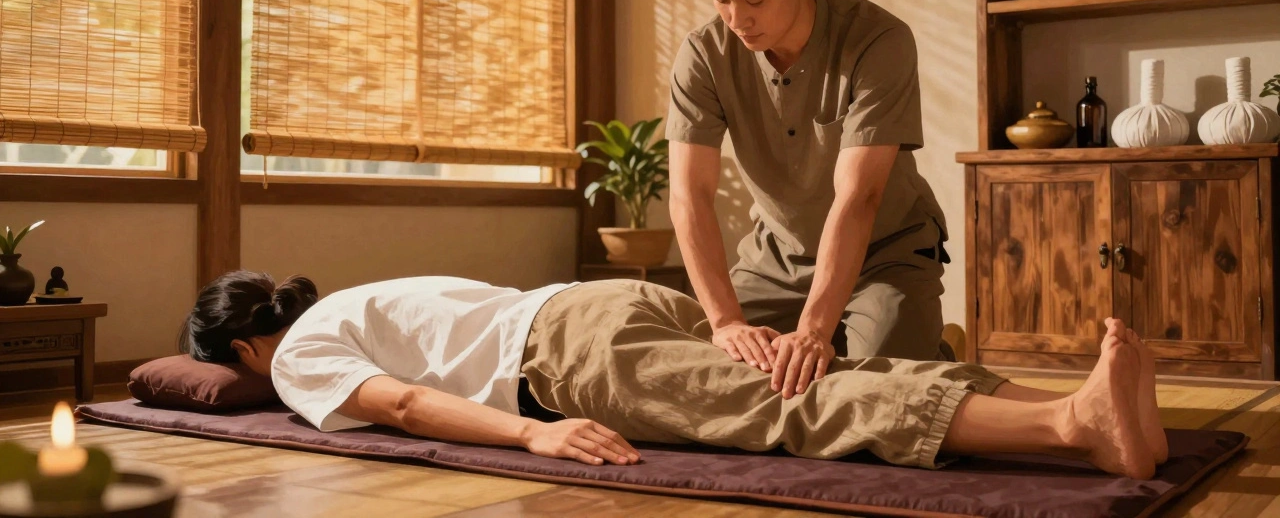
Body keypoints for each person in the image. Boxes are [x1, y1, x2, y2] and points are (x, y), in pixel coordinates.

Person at [180, 271, 1168, 479]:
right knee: (820, 367)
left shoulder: (300, 351)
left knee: (797, 405)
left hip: (568, 353)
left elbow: (396, 407)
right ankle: (1064, 400)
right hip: (610, 300)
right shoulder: (356, 297)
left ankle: (1071, 430)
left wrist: (534, 432)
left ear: (241, 353)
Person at [667, 0, 953, 398]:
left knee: (873, 393)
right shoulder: (703, 54)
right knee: (695, 374)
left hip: (885, 253)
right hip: (775, 260)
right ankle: (886, 342)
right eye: (721, 0)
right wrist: (727, 321)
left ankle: (923, 344)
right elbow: (691, 196)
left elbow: (859, 196)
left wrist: (816, 331)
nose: (738, 19)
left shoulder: (878, 40)